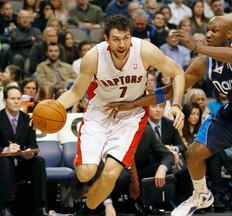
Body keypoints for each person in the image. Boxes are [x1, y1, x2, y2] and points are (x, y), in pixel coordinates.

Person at [105, 16, 232, 216]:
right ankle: (201, 195)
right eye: (207, 29)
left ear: (228, 35)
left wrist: (197, 47)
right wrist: (134, 103)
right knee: (193, 154)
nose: (208, 34)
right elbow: (172, 89)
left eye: (214, 31)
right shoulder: (204, 63)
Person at [33, 14, 185, 215]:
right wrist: (49, 110)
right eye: (116, 39)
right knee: (87, 172)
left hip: (131, 116)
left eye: (126, 38)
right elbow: (76, 92)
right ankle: (79, 181)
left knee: (111, 174)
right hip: (99, 114)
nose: (122, 44)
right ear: (106, 39)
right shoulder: (94, 57)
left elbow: (177, 73)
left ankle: (85, 213)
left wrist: (176, 104)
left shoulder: (145, 51)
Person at [0, 85, 47, 216]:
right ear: (5, 101)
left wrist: (29, 152)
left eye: (18, 98)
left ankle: (41, 207)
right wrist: (5, 149)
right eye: (12, 98)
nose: (16, 101)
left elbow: (33, 144)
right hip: (3, 165)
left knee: (39, 161)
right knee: (4, 161)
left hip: (21, 163)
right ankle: (5, 208)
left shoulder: (28, 119)